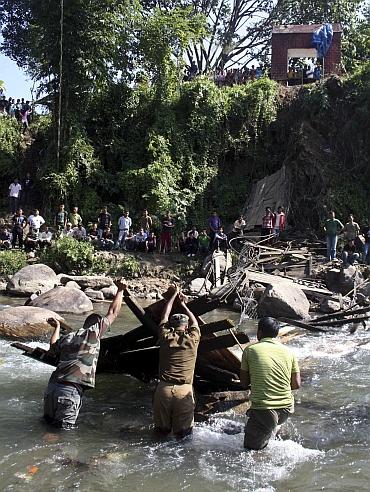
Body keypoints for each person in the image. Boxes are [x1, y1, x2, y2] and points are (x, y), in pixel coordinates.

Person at [43, 279, 126, 429]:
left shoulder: (68, 337)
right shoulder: (93, 333)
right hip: (69, 391)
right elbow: (113, 312)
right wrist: (120, 290)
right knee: (62, 435)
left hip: (52, 388)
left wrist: (57, 327)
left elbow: (52, 348)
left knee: (46, 426)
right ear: (97, 324)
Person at [240, 317, 301, 450]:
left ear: (259, 333)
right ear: (276, 333)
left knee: (249, 451)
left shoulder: (250, 350)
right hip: (287, 409)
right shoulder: (289, 352)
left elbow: (244, 383)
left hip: (265, 409)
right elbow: (296, 384)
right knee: (265, 432)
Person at [153, 286, 200, 438]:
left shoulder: (165, 338)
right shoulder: (193, 339)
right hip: (184, 391)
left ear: (171, 326)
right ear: (186, 327)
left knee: (160, 434)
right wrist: (184, 304)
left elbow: (164, 316)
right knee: (183, 437)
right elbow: (195, 322)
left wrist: (172, 297)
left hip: (163, 390)